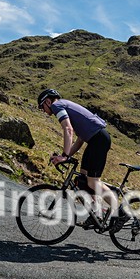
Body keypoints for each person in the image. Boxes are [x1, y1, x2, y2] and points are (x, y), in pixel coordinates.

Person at [38, 88, 119, 227]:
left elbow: (68, 130)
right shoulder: (66, 107)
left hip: (99, 140)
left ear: (48, 101)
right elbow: (79, 140)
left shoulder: (57, 106)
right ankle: (97, 215)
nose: (43, 111)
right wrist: (67, 156)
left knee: (93, 182)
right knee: (82, 181)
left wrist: (64, 156)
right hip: (95, 140)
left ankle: (121, 213)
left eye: (42, 107)